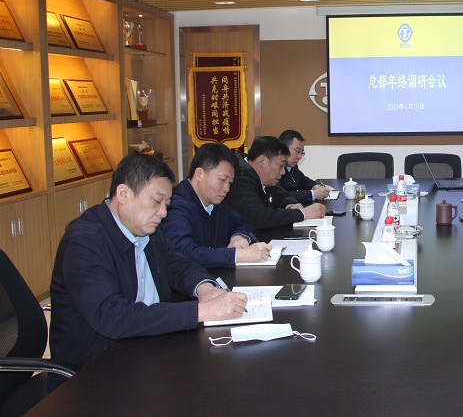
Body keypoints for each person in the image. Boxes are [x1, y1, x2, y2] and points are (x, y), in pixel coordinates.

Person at [49, 154, 247, 379]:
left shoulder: (145, 229)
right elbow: (112, 316)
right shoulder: (84, 243)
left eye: (167, 204)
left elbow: (178, 264)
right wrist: (204, 311)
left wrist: (205, 289)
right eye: (157, 201)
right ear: (123, 194)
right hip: (96, 371)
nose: (163, 213)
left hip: (146, 346)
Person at [159, 142, 271, 268]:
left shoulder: (215, 203)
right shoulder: (175, 207)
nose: (226, 188)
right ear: (199, 174)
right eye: (222, 180)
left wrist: (239, 237)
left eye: (230, 183)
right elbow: (185, 253)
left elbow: (244, 222)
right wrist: (238, 255)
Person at [224, 136, 326, 229]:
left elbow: (281, 194)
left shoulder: (263, 177)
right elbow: (259, 217)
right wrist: (302, 214)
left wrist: (291, 205)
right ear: (262, 161)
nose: (283, 172)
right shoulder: (239, 179)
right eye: (281, 165)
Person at [278, 129, 330, 203]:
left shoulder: (292, 167)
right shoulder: (275, 169)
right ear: (284, 148)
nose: (299, 157)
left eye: (302, 153)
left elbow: (305, 181)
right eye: (297, 151)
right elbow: (282, 195)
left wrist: (316, 186)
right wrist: (313, 194)